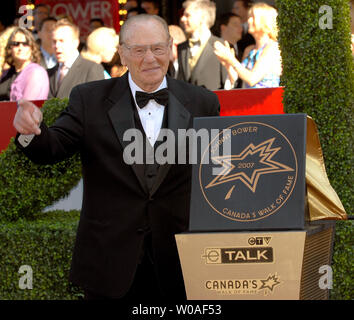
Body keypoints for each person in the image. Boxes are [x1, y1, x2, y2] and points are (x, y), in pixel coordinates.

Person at [13, 14, 220, 301]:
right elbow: (55, 146)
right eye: (138, 50)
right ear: (121, 53)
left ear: (171, 48)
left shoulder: (203, 102)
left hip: (179, 263)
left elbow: (216, 173)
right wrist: (31, 132)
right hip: (108, 261)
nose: (150, 58)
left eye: (158, 48)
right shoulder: (89, 98)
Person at [214, 2, 281, 88]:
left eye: (253, 17)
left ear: (265, 22)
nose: (249, 21)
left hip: (266, 100)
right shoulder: (249, 50)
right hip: (249, 99)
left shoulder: (272, 48)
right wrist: (227, 63)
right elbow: (238, 80)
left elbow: (252, 79)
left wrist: (231, 59)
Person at [47, 19, 105, 98]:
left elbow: (96, 103)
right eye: (54, 41)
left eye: (62, 41)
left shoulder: (92, 68)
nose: (57, 46)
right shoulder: (49, 73)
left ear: (75, 43)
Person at [177, 0, 228, 90]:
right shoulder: (181, 48)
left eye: (187, 15)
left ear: (202, 18)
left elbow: (228, 85)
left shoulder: (222, 46)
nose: (182, 19)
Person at [0, 27, 49, 101]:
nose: (20, 48)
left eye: (25, 44)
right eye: (16, 44)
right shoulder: (7, 73)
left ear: (32, 48)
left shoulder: (37, 72)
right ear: (10, 48)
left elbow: (27, 107)